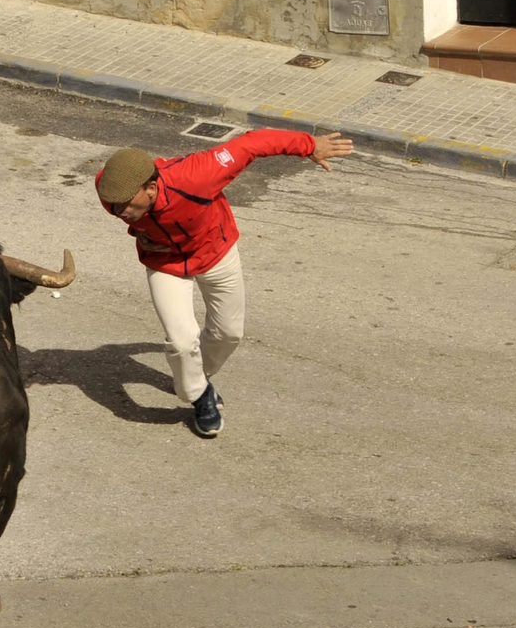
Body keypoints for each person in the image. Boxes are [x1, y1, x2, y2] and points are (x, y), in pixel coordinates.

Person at [95, 129, 354, 438]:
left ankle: (198, 375)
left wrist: (310, 145)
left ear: (151, 188)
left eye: (124, 205)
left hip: (215, 252)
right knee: (181, 341)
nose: (118, 212)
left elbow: (253, 143)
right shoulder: (110, 189)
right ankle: (199, 396)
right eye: (112, 205)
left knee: (229, 333)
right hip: (164, 263)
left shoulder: (197, 175)